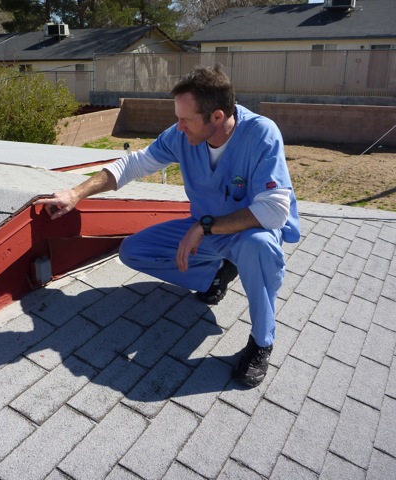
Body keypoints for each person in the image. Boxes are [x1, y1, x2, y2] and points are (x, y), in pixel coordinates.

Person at [35, 65, 300, 387]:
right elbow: (133, 164)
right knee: (134, 250)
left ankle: (261, 342)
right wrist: (76, 193)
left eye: (185, 119)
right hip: (202, 227)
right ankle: (216, 274)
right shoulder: (182, 135)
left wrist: (204, 227)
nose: (178, 126)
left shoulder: (260, 134)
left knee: (259, 248)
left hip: (248, 232)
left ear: (217, 117)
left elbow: (274, 211)